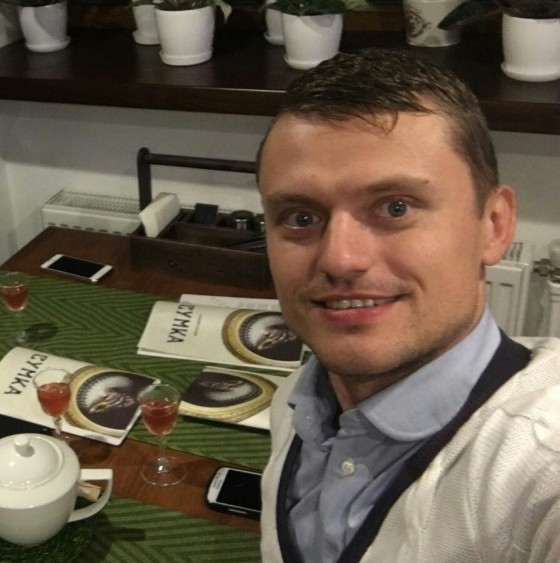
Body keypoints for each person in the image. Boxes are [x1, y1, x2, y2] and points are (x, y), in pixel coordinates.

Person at [256, 49, 560, 562]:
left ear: (494, 226)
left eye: (395, 207)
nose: (340, 259)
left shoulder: (542, 471)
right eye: (301, 217)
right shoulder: (297, 404)